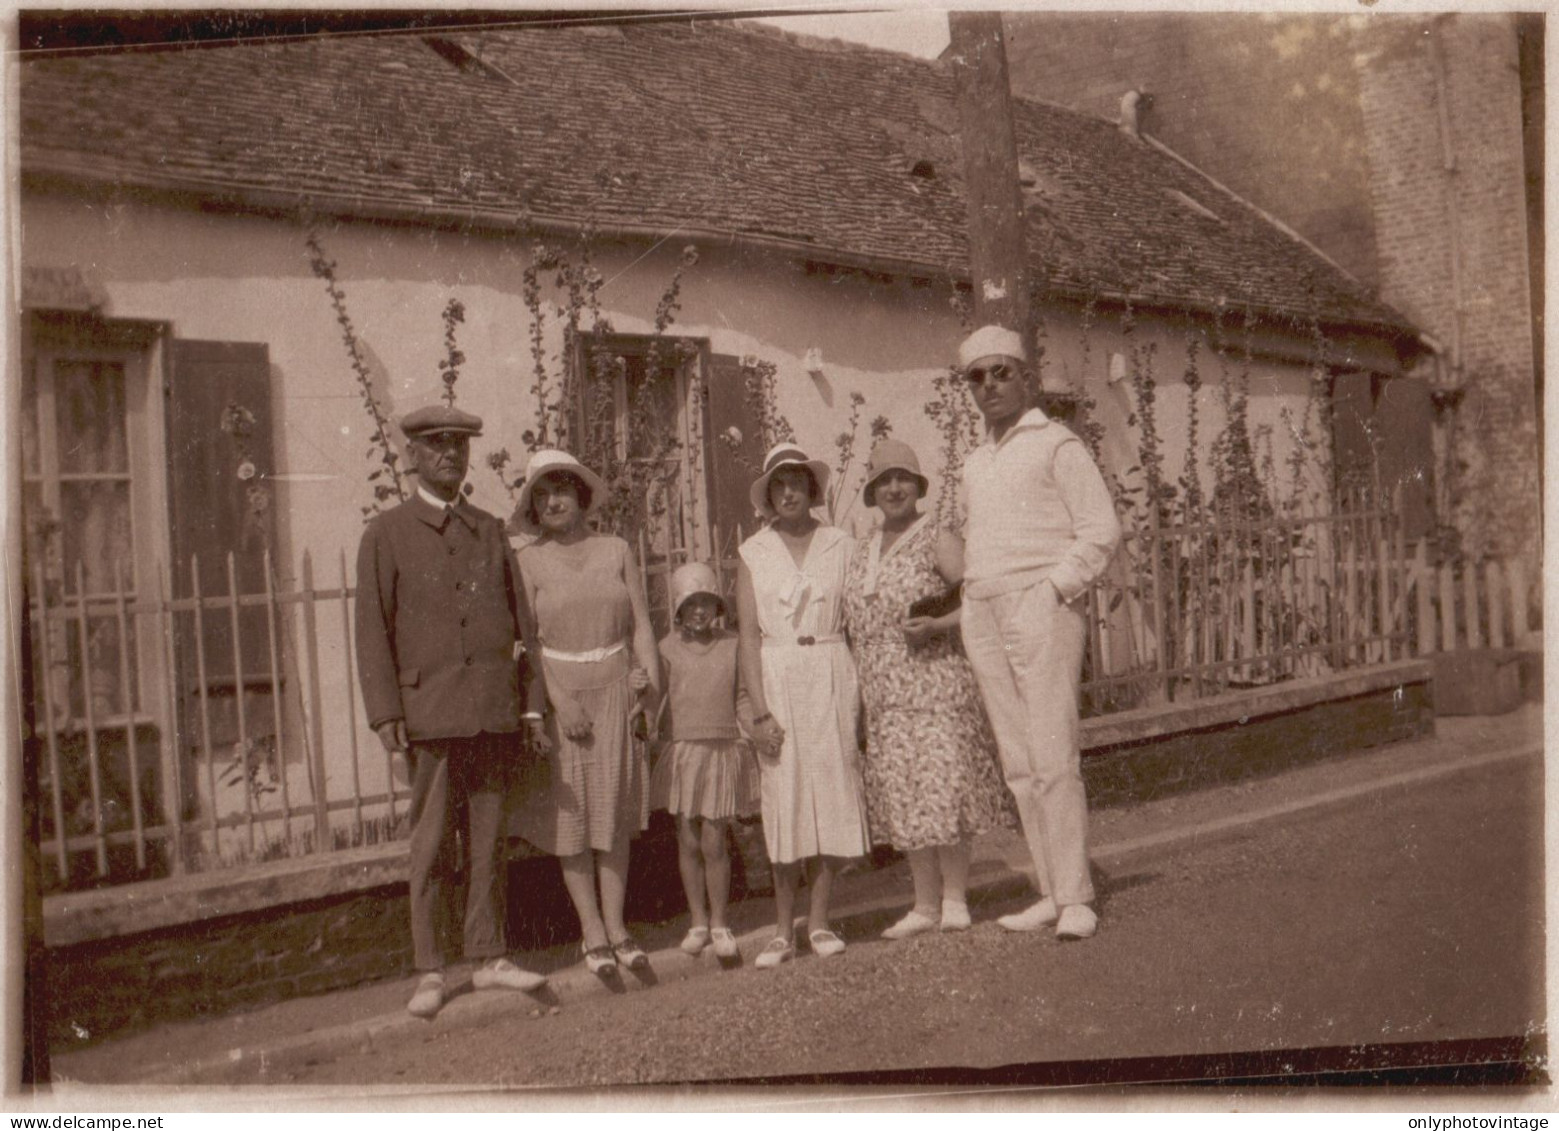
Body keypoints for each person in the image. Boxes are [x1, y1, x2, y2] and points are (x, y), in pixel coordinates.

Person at [355, 403, 551, 1019]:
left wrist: (531, 707)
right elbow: (371, 630)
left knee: (490, 840)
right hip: (429, 710)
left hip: (491, 708)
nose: (449, 455)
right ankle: (432, 969)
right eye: (436, 446)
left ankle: (490, 956)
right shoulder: (386, 533)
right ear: (412, 455)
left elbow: (524, 626)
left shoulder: (490, 530)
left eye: (458, 446)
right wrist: (386, 712)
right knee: (433, 842)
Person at [954, 324, 1122, 941]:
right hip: (986, 609)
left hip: (1041, 605)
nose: (990, 385)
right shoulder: (975, 461)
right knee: (1019, 762)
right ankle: (1050, 889)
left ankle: (1077, 894)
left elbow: (1101, 531)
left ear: (1025, 377)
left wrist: (1052, 591)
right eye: (978, 376)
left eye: (1002, 372)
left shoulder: (1057, 444)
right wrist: (972, 599)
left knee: (1053, 755)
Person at [842, 439, 1016, 939]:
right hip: (885, 695)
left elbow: (981, 600)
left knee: (946, 789)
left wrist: (939, 627)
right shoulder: (861, 548)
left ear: (917, 488)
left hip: (937, 683)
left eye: (902, 479)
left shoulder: (936, 537)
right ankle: (923, 903)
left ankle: (956, 897)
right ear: (872, 492)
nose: (893, 489)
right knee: (907, 794)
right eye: (884, 482)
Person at [507, 449, 662, 977]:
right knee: (573, 821)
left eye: (563, 490)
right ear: (532, 505)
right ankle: (591, 932)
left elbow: (641, 622)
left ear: (581, 497)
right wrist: (558, 699)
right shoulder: (527, 560)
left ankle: (618, 928)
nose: (554, 501)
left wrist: (650, 684)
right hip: (564, 696)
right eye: (543, 494)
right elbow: (526, 642)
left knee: (613, 813)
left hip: (618, 690)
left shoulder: (616, 549)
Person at [736, 444, 872, 969]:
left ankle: (819, 922)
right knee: (785, 798)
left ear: (811, 489)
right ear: (769, 495)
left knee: (833, 794)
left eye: (797, 481)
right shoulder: (754, 551)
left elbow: (859, 618)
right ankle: (781, 930)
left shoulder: (841, 544)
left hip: (833, 670)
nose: (789, 492)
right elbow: (747, 635)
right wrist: (759, 712)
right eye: (779, 484)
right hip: (779, 674)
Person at [648, 561, 760, 961]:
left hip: (720, 749)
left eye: (707, 603)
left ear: (718, 607)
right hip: (684, 752)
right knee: (689, 839)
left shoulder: (732, 645)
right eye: (690, 603)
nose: (699, 611)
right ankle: (697, 921)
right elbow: (653, 699)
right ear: (678, 609)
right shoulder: (664, 649)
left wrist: (756, 727)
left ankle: (720, 922)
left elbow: (744, 696)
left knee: (715, 840)